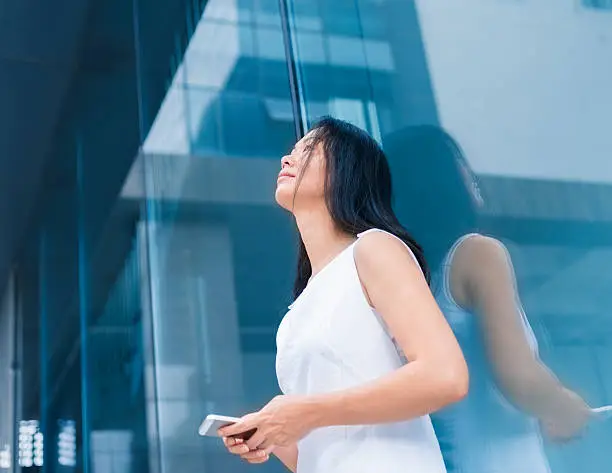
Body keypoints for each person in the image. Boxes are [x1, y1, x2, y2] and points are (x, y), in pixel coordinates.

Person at [218, 117, 469, 472]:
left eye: (308, 150)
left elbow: (446, 375)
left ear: (346, 171)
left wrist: (305, 412)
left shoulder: (373, 249)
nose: (286, 159)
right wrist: (272, 434)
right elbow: (324, 452)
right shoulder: (297, 312)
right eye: (291, 152)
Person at [384, 125, 592, 473]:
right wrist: (564, 405)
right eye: (458, 162)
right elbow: (517, 377)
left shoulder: (411, 283)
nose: (470, 173)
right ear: (442, 178)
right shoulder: (478, 254)